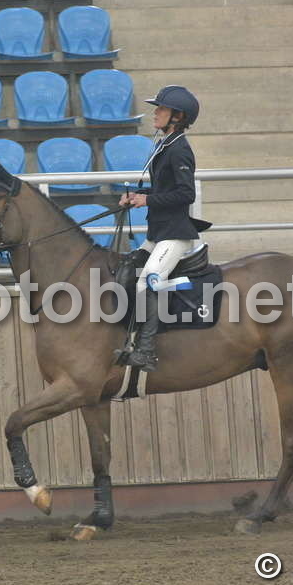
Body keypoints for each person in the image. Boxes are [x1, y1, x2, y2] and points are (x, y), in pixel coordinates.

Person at [118, 85, 212, 372]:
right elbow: (163, 189)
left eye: (161, 109)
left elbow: (186, 194)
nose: (155, 113)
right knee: (127, 269)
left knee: (148, 281)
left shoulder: (180, 149)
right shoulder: (165, 144)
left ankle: (147, 352)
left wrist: (147, 200)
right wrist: (137, 195)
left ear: (177, 116)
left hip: (175, 234)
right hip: (158, 233)